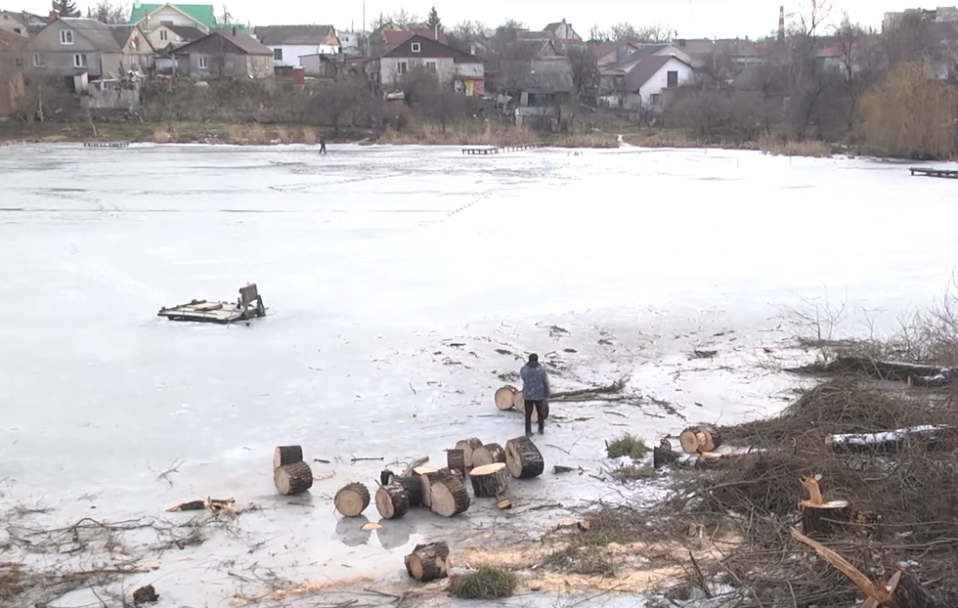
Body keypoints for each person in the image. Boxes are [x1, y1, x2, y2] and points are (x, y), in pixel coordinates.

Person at [519, 353, 550, 436]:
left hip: (528, 395)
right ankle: (540, 429)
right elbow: (545, 382)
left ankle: (528, 431)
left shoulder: (524, 369)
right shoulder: (541, 370)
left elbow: (523, 377)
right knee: (540, 412)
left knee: (528, 413)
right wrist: (547, 393)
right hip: (539, 394)